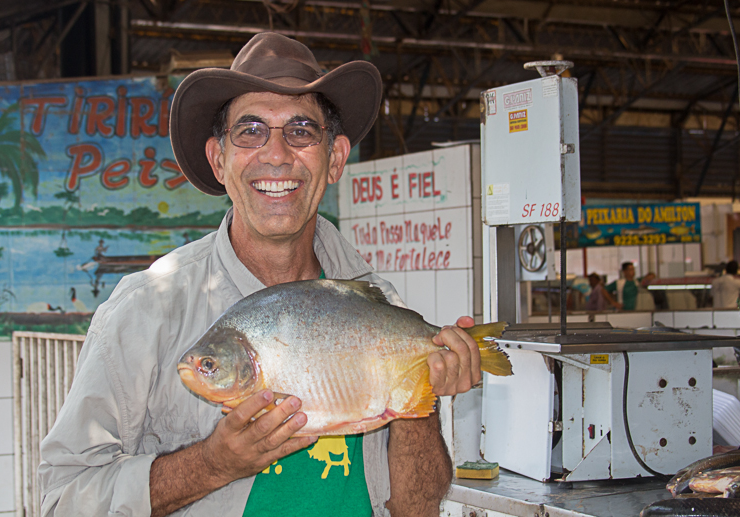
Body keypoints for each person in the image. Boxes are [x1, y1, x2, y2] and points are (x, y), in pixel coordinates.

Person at [38, 32, 484, 517]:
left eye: (301, 130)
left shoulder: (376, 304)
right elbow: (63, 500)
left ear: (333, 158)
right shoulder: (144, 312)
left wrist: (418, 402)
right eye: (249, 131)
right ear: (219, 159)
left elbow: (418, 509)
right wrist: (211, 464)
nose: (276, 154)